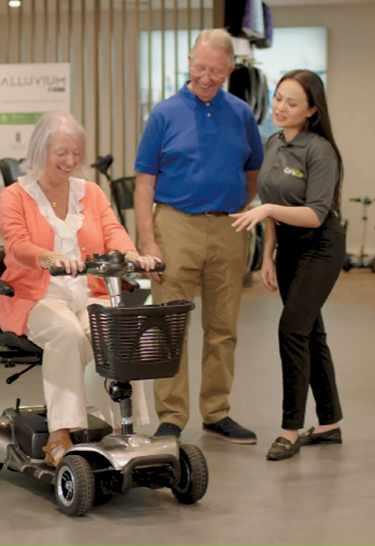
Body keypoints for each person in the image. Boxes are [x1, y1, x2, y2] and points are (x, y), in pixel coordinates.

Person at [0, 112, 159, 467]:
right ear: (41, 150)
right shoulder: (14, 196)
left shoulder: (91, 193)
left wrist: (133, 255)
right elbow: (16, 244)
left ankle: (123, 427)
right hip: (37, 297)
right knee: (67, 334)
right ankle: (61, 433)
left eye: (76, 153)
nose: (70, 161)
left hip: (89, 294)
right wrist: (47, 257)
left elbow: (113, 231)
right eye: (62, 153)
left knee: (118, 330)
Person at [133, 28, 264, 444]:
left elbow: (252, 173)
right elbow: (144, 183)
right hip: (175, 225)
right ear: (189, 62)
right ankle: (171, 415)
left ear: (230, 70)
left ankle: (216, 411)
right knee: (169, 325)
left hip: (228, 226)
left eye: (216, 71)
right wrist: (147, 242)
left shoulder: (241, 114)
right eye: (200, 67)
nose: (206, 77)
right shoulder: (164, 114)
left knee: (223, 327)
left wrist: (234, 208)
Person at [231, 70, 345, 461]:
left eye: (291, 102)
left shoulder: (320, 151)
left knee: (292, 330)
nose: (280, 107)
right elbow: (271, 202)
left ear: (311, 110)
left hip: (321, 247)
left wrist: (267, 210)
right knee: (311, 333)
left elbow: (314, 214)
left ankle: (289, 429)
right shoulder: (273, 143)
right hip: (289, 250)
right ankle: (329, 424)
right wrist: (268, 255)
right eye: (278, 98)